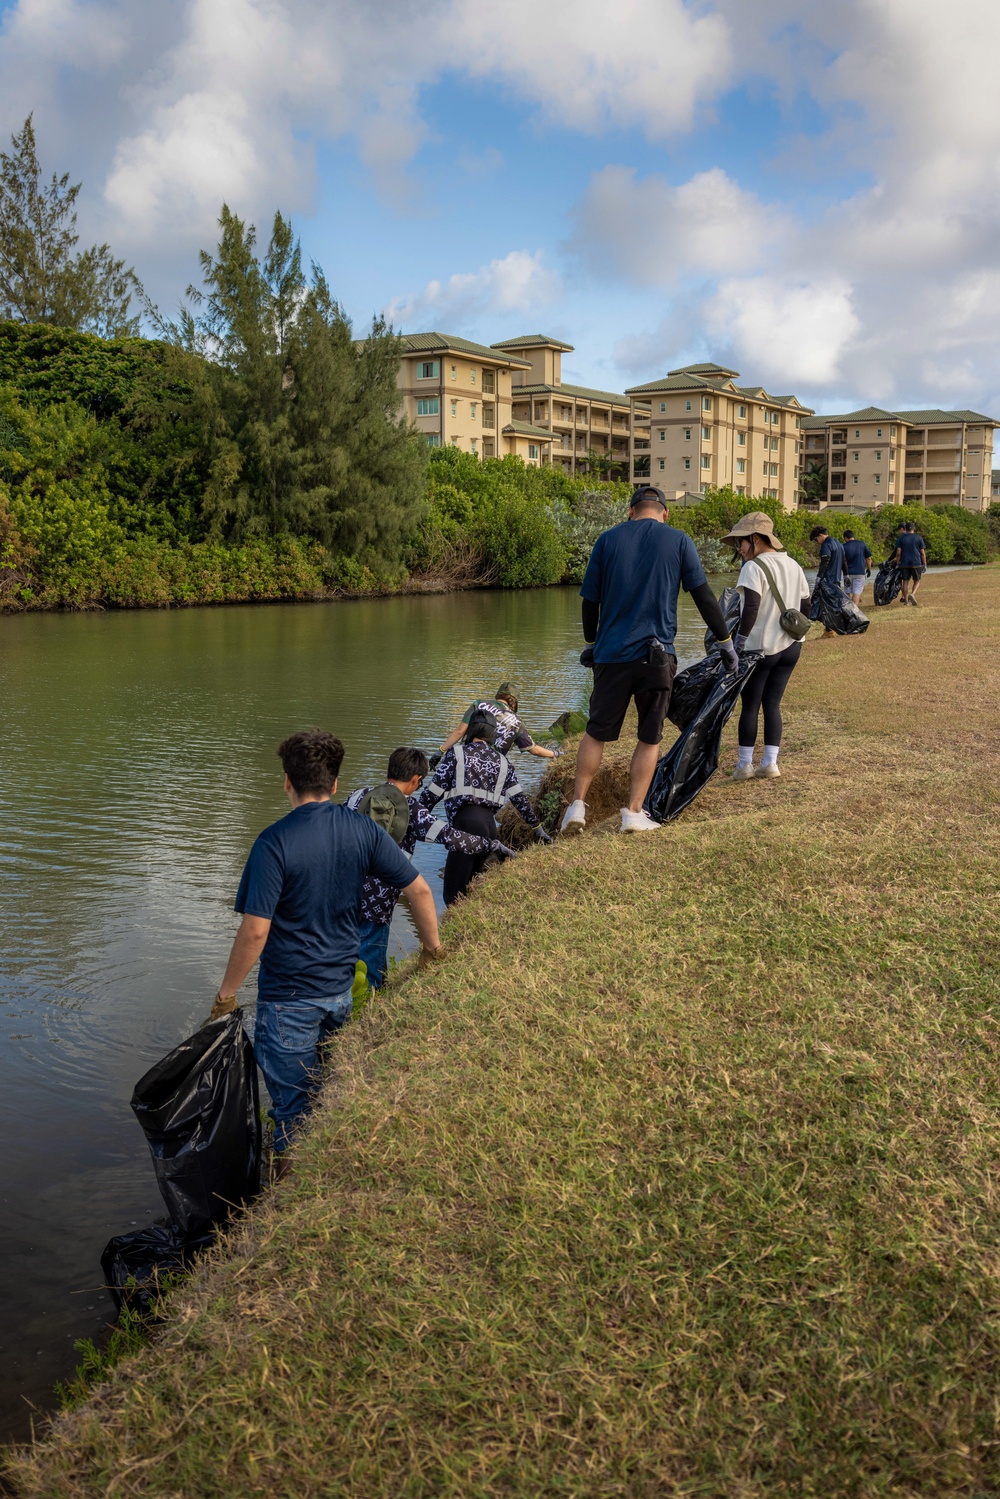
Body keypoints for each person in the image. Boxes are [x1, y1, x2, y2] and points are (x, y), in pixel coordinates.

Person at [211, 729, 443, 1158]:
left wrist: (226, 995)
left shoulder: (273, 843)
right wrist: (431, 951)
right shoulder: (363, 830)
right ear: (335, 784)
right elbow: (421, 891)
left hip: (289, 1002)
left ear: (286, 781)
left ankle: (284, 1200)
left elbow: (256, 931)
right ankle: (322, 1166)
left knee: (291, 1111)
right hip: (340, 994)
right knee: (327, 1092)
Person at [560, 484, 737, 837]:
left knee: (596, 732)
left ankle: (577, 806)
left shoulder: (607, 541)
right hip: (656, 658)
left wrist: (592, 643)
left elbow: (589, 601)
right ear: (665, 513)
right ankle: (634, 813)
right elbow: (703, 595)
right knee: (649, 736)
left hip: (610, 656)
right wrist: (725, 642)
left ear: (631, 511)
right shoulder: (679, 540)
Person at [347, 746, 509, 990]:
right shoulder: (411, 809)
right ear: (415, 780)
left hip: (342, 891)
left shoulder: (357, 796)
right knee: (369, 971)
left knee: (346, 959)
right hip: (378, 902)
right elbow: (452, 837)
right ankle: (362, 1012)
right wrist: (490, 843)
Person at [421, 710, 549, 905]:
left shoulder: (456, 754)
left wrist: (411, 818)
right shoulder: (504, 762)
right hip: (490, 830)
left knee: (452, 896)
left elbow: (431, 795)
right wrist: (537, 828)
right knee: (470, 892)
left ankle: (452, 933)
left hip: (466, 827)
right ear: (493, 735)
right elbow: (520, 800)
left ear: (470, 731)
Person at [721, 513, 811, 781]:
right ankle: (770, 763)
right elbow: (805, 605)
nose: (740, 548)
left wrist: (737, 642)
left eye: (742, 542)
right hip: (792, 646)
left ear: (756, 539)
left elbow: (751, 607)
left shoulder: (753, 567)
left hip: (760, 648)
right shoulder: (793, 564)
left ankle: (744, 766)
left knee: (750, 704)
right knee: (772, 704)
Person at [439, 682, 558, 761]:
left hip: (466, 758)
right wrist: (556, 754)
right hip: (493, 766)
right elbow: (534, 749)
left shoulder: (479, 704)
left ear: (497, 696)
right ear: (515, 702)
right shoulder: (517, 722)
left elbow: (459, 732)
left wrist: (441, 751)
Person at [809, 525, 848, 639]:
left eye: (816, 540)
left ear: (821, 535)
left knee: (825, 606)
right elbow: (844, 561)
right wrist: (846, 575)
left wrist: (819, 577)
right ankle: (830, 629)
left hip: (827, 580)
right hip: (836, 579)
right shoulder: (839, 544)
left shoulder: (826, 545)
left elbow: (825, 561)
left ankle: (829, 631)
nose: (817, 542)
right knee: (833, 605)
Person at [894, 521, 927, 606]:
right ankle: (912, 594)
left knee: (905, 581)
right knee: (917, 580)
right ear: (913, 529)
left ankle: (906, 601)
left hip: (904, 563)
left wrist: (897, 563)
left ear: (905, 529)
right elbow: (922, 553)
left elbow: (898, 553)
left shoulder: (901, 538)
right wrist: (924, 563)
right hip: (916, 562)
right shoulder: (918, 538)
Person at [842, 529, 872, 605]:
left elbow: (841, 561)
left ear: (845, 538)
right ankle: (854, 612)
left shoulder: (843, 547)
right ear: (853, 536)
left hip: (847, 574)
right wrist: (869, 569)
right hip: (860, 573)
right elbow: (868, 558)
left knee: (847, 592)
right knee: (857, 593)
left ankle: (848, 611)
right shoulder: (862, 544)